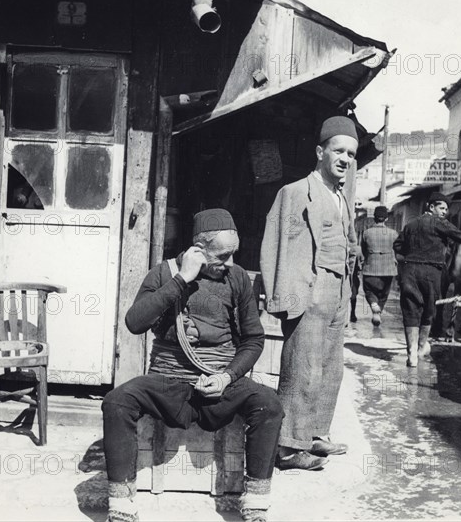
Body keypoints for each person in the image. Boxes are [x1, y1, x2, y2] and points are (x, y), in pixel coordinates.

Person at [102, 209, 284, 522]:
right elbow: (134, 322)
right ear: (198, 250)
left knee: (269, 405)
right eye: (222, 256)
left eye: (233, 255)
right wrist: (181, 279)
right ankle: (121, 506)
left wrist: (227, 377)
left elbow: (253, 339)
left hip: (219, 384)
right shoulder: (164, 273)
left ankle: (255, 503)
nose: (229, 264)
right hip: (167, 381)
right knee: (116, 402)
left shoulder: (237, 277)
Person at [260, 116, 357, 471]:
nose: (345, 158)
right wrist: (281, 296)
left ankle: (314, 434)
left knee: (331, 368)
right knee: (303, 368)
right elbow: (275, 243)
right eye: (338, 150)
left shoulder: (341, 196)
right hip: (310, 288)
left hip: (338, 290)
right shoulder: (297, 191)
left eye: (350, 153)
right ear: (320, 152)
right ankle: (287, 449)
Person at [393, 192, 461, 367]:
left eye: (447, 209)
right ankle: (419, 348)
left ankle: (411, 353)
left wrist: (411, 256)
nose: (445, 212)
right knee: (428, 310)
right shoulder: (439, 223)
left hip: (409, 272)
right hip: (431, 272)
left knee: (410, 311)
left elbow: (397, 245)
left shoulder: (410, 225)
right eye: (441, 208)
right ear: (431, 207)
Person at [361, 205, 398, 326]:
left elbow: (364, 250)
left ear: (374, 218)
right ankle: (378, 311)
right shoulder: (393, 234)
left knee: (369, 290)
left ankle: (373, 304)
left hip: (371, 266)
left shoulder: (367, 233)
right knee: (384, 293)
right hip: (388, 269)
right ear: (386, 219)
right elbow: (398, 249)